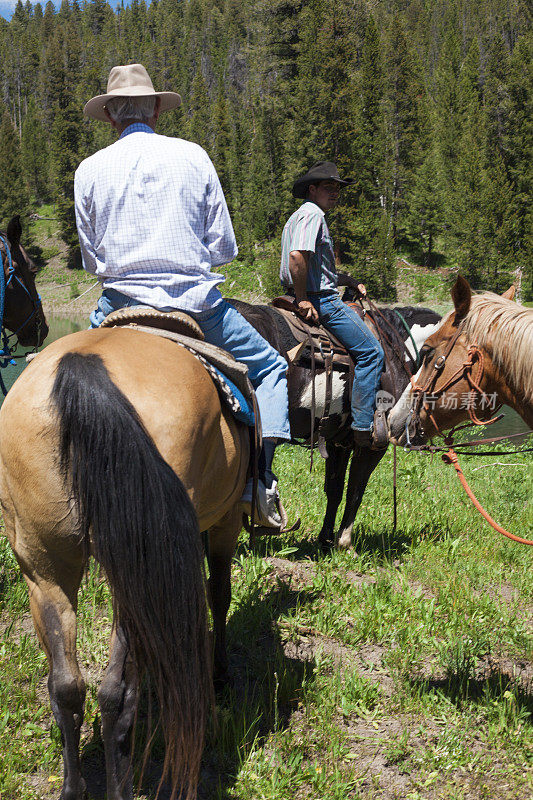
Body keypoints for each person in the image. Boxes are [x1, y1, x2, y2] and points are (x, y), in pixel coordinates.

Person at [74, 63, 290, 527]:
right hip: (192, 304)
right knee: (271, 368)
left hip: (119, 306)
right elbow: (224, 248)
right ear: (155, 108)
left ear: (110, 115)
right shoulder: (193, 156)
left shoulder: (89, 169)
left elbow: (92, 262)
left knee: (63, 369)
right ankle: (259, 481)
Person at [280, 161, 387, 450]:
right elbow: (297, 258)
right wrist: (304, 299)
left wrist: (348, 280)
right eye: (329, 187)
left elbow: (313, 266)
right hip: (320, 300)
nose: (335, 193)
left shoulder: (297, 217)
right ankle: (362, 427)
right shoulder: (313, 215)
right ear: (312, 189)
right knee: (371, 353)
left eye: (337, 189)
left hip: (302, 291)